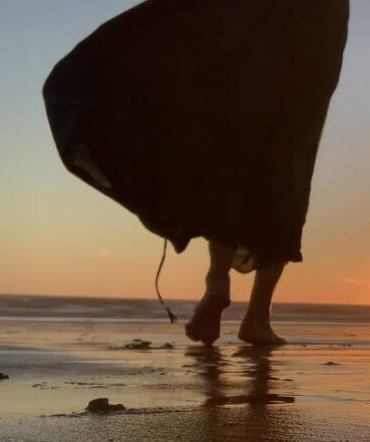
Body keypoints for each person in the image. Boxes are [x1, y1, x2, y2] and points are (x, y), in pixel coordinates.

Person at [43, 0, 350, 346]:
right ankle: (257, 317)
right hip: (316, 25)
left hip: (254, 23)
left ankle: (217, 280)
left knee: (233, 155)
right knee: (287, 169)